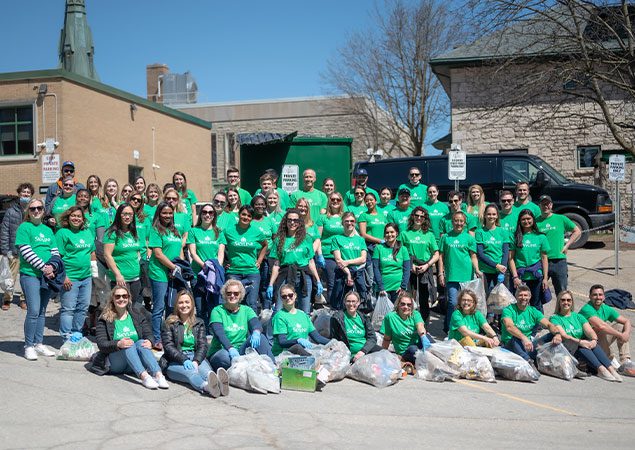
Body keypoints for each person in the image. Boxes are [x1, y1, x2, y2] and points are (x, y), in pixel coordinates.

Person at [93, 286, 169, 389]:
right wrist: (118, 344)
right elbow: (101, 344)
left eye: (124, 296)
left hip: (134, 362)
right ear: (112, 299)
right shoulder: (104, 319)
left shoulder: (136, 314)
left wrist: (150, 341)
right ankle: (144, 377)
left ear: (129, 298)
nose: (121, 299)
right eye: (118, 296)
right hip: (115, 362)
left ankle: (158, 375)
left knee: (141, 342)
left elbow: (148, 333)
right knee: (128, 343)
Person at [15, 198, 58, 360]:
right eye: (33, 209)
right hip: (30, 275)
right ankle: (29, 345)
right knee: (33, 311)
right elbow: (26, 251)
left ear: (43, 210)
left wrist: (53, 267)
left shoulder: (48, 230)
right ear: (28, 211)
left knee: (41, 311)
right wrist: (44, 267)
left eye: (39, 208)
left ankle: (39, 343)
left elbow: (54, 251)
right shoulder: (24, 228)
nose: (36, 211)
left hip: (46, 276)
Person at [551, 290, 622, 382]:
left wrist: (593, 339)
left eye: (569, 300)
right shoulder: (555, 318)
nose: (566, 302)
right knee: (582, 346)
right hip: (567, 348)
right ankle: (601, 370)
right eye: (563, 300)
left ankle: (611, 369)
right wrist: (581, 342)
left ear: (572, 302)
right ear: (559, 302)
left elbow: (590, 331)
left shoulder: (578, 317)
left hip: (579, 344)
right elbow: (564, 336)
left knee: (592, 343)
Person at [208, 280, 273, 375]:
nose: (232, 296)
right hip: (222, 350)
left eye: (236, 293)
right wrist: (230, 348)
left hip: (241, 350)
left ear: (241, 295)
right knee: (226, 357)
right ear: (224, 295)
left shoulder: (247, 310)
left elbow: (256, 323)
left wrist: (256, 331)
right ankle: (239, 373)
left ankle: (273, 367)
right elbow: (219, 333)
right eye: (229, 293)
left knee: (261, 338)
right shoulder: (217, 310)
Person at [160, 290, 220, 395]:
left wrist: (196, 361)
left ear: (192, 304)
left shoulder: (199, 322)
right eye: (181, 302)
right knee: (192, 372)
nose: (184, 305)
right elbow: (168, 346)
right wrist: (184, 360)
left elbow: (203, 345)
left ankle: (220, 385)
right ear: (176, 305)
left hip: (195, 356)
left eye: (187, 302)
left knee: (208, 373)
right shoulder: (169, 322)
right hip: (175, 360)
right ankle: (207, 387)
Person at [268, 209, 322, 313]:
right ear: (285, 222)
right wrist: (271, 284)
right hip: (285, 275)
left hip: (303, 276)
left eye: (295, 220)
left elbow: (310, 261)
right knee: (279, 309)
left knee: (305, 311)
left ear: (300, 222)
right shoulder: (279, 240)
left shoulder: (307, 239)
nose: (292, 222)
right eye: (289, 220)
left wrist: (318, 280)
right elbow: (276, 265)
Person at [148, 202, 186, 349]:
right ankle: (157, 338)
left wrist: (181, 266)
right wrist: (173, 267)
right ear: (159, 214)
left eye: (170, 213)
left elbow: (179, 250)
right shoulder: (156, 230)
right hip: (159, 272)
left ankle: (170, 337)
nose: (167, 216)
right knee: (159, 307)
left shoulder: (175, 231)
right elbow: (158, 254)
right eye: (164, 213)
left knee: (173, 306)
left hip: (174, 273)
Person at [218, 205, 268, 312]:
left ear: (252, 218)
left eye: (249, 216)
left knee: (252, 303)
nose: (246, 217)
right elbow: (221, 247)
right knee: (232, 302)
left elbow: (265, 245)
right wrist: (225, 262)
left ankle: (253, 328)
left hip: (252, 272)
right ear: (239, 215)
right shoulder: (228, 231)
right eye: (243, 214)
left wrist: (259, 261)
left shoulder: (256, 231)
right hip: (233, 272)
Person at [56, 206, 95, 340]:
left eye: (79, 216)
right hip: (70, 277)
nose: (76, 218)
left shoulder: (87, 232)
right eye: (73, 216)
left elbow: (92, 252)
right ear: (68, 217)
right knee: (68, 309)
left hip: (86, 277)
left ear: (83, 219)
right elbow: (58, 257)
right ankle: (66, 337)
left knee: (83, 308)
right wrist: (63, 276)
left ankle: (76, 333)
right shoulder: (62, 233)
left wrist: (94, 272)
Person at [438, 211, 480, 334]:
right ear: (452, 222)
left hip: (466, 275)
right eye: (456, 220)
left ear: (465, 223)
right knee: (453, 302)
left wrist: (477, 270)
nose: (459, 223)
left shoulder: (469, 238)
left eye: (461, 221)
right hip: (451, 275)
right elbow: (441, 256)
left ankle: (464, 329)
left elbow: (473, 256)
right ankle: (450, 329)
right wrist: (441, 273)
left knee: (466, 303)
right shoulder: (445, 237)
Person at [500, 285, 563, 362]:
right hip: (510, 346)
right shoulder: (508, 310)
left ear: (530, 297)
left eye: (526, 295)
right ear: (515, 296)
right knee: (515, 337)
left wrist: (557, 334)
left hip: (527, 346)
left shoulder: (533, 311)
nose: (523, 298)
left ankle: (560, 360)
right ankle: (528, 361)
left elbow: (549, 324)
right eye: (520, 295)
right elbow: (509, 326)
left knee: (553, 335)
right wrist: (523, 338)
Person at [400, 207, 439, 323]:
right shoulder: (404, 233)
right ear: (412, 216)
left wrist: (427, 265)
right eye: (416, 215)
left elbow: (436, 254)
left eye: (422, 216)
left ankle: (424, 327)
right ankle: (407, 323)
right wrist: (409, 265)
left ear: (425, 219)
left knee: (423, 299)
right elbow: (399, 252)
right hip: (409, 269)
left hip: (425, 269)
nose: (419, 218)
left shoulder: (429, 235)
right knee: (408, 299)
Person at [536, 195, 581, 295]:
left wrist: (567, 245)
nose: (545, 206)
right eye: (543, 204)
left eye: (547, 204)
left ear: (551, 205)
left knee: (562, 292)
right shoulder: (535, 221)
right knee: (538, 292)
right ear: (539, 206)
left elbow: (577, 231)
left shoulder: (560, 218)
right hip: (541, 261)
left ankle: (561, 311)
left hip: (558, 260)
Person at [579, 284, 632, 367]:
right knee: (601, 329)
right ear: (589, 296)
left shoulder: (606, 308)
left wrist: (626, 334)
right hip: (587, 343)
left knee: (621, 326)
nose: (598, 297)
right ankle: (610, 359)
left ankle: (626, 361)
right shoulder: (587, 309)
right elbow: (601, 326)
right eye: (595, 295)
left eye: (600, 295)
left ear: (604, 297)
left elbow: (626, 321)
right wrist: (621, 335)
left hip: (599, 341)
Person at [187, 203, 222, 324]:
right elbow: (192, 253)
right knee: (200, 307)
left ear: (214, 215)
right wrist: (204, 266)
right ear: (200, 214)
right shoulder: (193, 231)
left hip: (213, 275)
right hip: (198, 274)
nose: (207, 215)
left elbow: (220, 254)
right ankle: (202, 333)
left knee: (213, 306)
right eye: (204, 212)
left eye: (210, 212)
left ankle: (213, 333)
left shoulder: (219, 232)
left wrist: (217, 268)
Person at [509, 209, 550, 311]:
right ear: (519, 221)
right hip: (520, 276)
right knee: (519, 302)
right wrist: (515, 277)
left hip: (536, 275)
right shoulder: (515, 237)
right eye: (523, 219)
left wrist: (545, 278)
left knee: (536, 302)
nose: (526, 221)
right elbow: (511, 259)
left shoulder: (541, 237)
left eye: (528, 219)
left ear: (533, 220)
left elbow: (544, 258)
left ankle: (537, 325)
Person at [271, 284, 329, 356]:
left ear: (295, 295)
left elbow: (317, 338)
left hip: (301, 353)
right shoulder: (279, 316)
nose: (287, 298)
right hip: (284, 354)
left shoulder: (303, 315)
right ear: (281, 299)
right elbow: (282, 342)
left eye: (290, 295)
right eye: (284, 296)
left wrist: (334, 343)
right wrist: (298, 340)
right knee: (297, 347)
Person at [1, 182, 33, 310]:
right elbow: (4, 230)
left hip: (29, 250)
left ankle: (24, 299)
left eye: (28, 193)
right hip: (14, 250)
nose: (25, 194)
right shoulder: (10, 211)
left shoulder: (34, 210)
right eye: (23, 192)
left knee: (26, 276)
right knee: (10, 277)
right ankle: (7, 299)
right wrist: (4, 249)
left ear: (31, 195)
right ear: (19, 194)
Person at [103, 204, 143, 307]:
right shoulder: (112, 233)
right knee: (120, 308)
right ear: (119, 215)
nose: (127, 217)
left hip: (135, 278)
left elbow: (137, 251)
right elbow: (107, 255)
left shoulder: (134, 232)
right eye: (124, 214)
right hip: (120, 279)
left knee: (132, 306)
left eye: (130, 214)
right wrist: (117, 274)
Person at [380, 291, 433, 363]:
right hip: (405, 351)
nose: (406, 307)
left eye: (409, 305)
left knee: (430, 340)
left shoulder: (415, 314)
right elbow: (387, 339)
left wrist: (423, 336)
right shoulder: (390, 317)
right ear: (398, 304)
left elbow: (420, 326)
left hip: (418, 344)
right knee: (414, 349)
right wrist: (383, 355)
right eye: (403, 304)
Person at [330, 291, 382, 361]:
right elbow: (334, 340)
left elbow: (372, 338)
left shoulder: (364, 318)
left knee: (385, 355)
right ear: (344, 302)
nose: (351, 304)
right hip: (349, 354)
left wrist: (363, 351)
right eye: (348, 301)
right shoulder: (337, 318)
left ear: (358, 303)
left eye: (353, 301)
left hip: (365, 351)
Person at [330, 212, 367, 310]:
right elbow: (338, 260)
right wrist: (348, 273)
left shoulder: (360, 240)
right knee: (341, 304)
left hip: (358, 274)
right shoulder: (336, 239)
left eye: (352, 221)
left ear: (355, 222)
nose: (349, 223)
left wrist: (347, 262)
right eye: (346, 221)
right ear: (342, 223)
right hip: (342, 274)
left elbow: (363, 258)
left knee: (358, 304)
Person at [317, 192, 346, 304]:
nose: (335, 202)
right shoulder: (323, 218)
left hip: (344, 254)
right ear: (329, 202)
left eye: (338, 200)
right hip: (328, 254)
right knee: (332, 282)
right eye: (332, 199)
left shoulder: (345, 217)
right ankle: (332, 307)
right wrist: (319, 255)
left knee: (343, 282)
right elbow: (318, 238)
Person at [372, 223, 411, 303]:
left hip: (398, 289)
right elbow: (375, 268)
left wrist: (403, 286)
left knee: (398, 314)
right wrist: (381, 287)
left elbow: (407, 269)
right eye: (387, 232)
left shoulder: (403, 249)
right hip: (383, 289)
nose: (389, 234)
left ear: (396, 233)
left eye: (392, 232)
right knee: (384, 315)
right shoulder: (378, 248)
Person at [475, 204, 510, 293]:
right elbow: (480, 254)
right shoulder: (479, 232)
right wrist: (496, 265)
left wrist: (502, 269)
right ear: (485, 215)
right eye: (489, 214)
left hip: (500, 270)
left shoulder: (503, 232)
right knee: (485, 300)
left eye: (494, 214)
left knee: (501, 300)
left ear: (497, 215)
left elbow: (505, 252)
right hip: (485, 271)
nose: (491, 216)